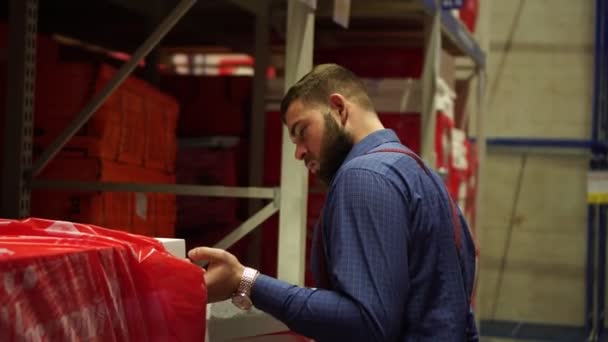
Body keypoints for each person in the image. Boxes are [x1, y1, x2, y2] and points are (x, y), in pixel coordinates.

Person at [188, 63, 479, 341]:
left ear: (338, 108)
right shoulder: (420, 174)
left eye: (302, 131)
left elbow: (366, 324)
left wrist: (246, 281)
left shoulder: (363, 176)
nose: (299, 153)